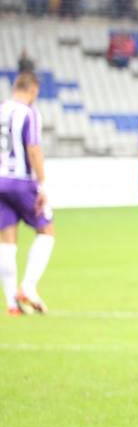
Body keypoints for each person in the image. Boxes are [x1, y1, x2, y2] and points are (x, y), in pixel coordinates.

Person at [0, 72, 55, 315]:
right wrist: (42, 184)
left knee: (6, 241)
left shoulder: (1, 110)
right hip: (21, 181)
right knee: (46, 231)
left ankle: (12, 303)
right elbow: (33, 148)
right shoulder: (29, 113)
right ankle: (28, 287)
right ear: (32, 89)